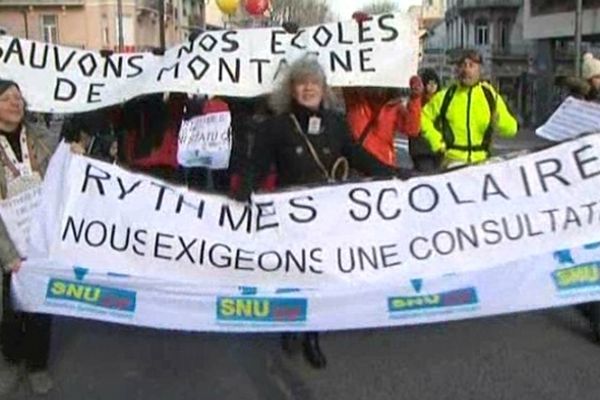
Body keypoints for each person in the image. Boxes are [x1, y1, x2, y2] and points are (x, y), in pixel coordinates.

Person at [247, 56, 399, 369]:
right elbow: (257, 168)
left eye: (314, 83)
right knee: (291, 275)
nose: (308, 88)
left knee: (319, 278)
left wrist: (392, 173)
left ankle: (312, 335)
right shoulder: (275, 126)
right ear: (291, 89)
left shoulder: (335, 123)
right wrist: (241, 193)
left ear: (323, 88)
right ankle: (290, 325)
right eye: (302, 83)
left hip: (328, 217)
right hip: (291, 216)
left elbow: (356, 156)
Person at [0, 79, 54, 395]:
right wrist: (8, 256)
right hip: (5, 242)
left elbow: (60, 179)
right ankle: (12, 360)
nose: (15, 103)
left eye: (18, 97)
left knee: (39, 308)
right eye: (6, 98)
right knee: (8, 313)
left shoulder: (40, 139)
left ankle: (36, 366)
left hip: (38, 241)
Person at [344, 11, 423, 172]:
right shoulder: (355, 96)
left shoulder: (393, 105)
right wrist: (358, 29)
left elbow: (412, 130)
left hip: (383, 169)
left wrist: (415, 99)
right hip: (356, 169)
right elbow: (348, 61)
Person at [421, 49, 519, 168]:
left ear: (480, 69)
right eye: (463, 65)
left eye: (471, 65)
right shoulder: (446, 96)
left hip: (481, 164)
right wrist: (436, 141)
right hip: (452, 162)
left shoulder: (489, 96)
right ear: (457, 69)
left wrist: (498, 122)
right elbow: (423, 117)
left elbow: (512, 129)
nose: (466, 70)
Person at [410, 68, 442, 173]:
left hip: (439, 149)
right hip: (421, 150)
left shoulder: (443, 100)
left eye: (434, 83)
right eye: (429, 83)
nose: (432, 86)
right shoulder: (417, 101)